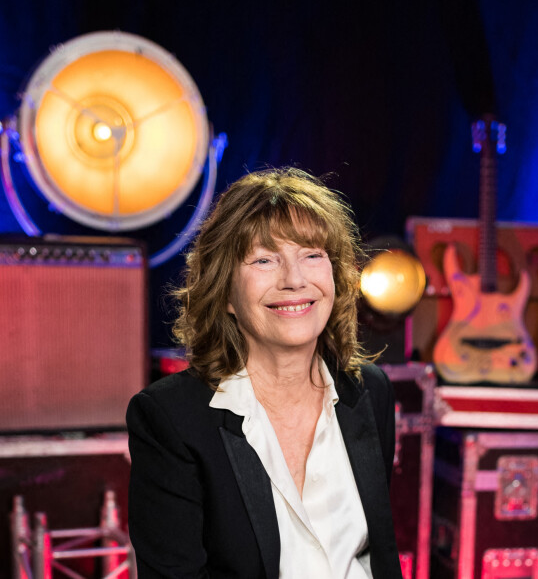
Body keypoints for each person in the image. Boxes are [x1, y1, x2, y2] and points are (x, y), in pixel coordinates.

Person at [126, 167, 403, 578]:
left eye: (312, 254)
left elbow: (375, 558)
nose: (294, 280)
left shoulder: (369, 391)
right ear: (225, 292)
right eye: (264, 259)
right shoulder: (171, 419)